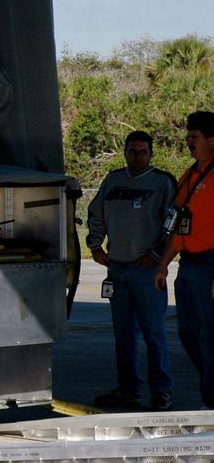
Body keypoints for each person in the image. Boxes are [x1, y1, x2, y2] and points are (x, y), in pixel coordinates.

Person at [88, 130, 177, 410]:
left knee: (154, 334)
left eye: (143, 152)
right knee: (124, 336)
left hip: (147, 272)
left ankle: (161, 391)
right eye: (132, 151)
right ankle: (128, 389)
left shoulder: (162, 182)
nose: (137, 157)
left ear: (151, 154)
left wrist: (156, 255)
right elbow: (96, 213)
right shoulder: (113, 180)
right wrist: (94, 246)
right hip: (118, 270)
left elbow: (173, 221)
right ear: (124, 152)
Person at [158, 111, 214, 408]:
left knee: (209, 335)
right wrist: (164, 262)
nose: (189, 142)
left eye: (195, 137)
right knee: (188, 333)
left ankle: (211, 401)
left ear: (211, 139)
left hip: (210, 263)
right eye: (188, 137)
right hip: (188, 264)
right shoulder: (189, 175)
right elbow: (179, 223)